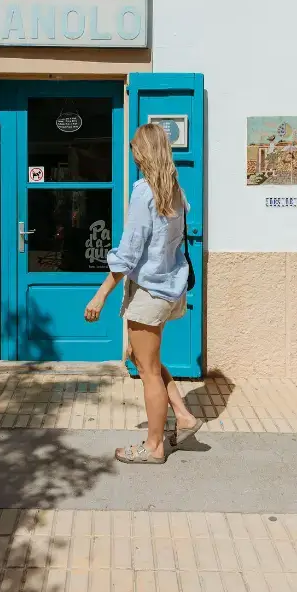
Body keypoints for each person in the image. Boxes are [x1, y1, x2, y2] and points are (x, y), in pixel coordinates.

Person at [84, 122, 202, 464]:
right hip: (169, 288)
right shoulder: (175, 191)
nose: (132, 152)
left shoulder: (144, 192)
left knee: (147, 371)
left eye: (135, 147)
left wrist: (101, 294)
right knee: (143, 358)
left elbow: (129, 252)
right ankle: (183, 416)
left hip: (149, 292)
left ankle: (153, 447)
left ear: (143, 151)